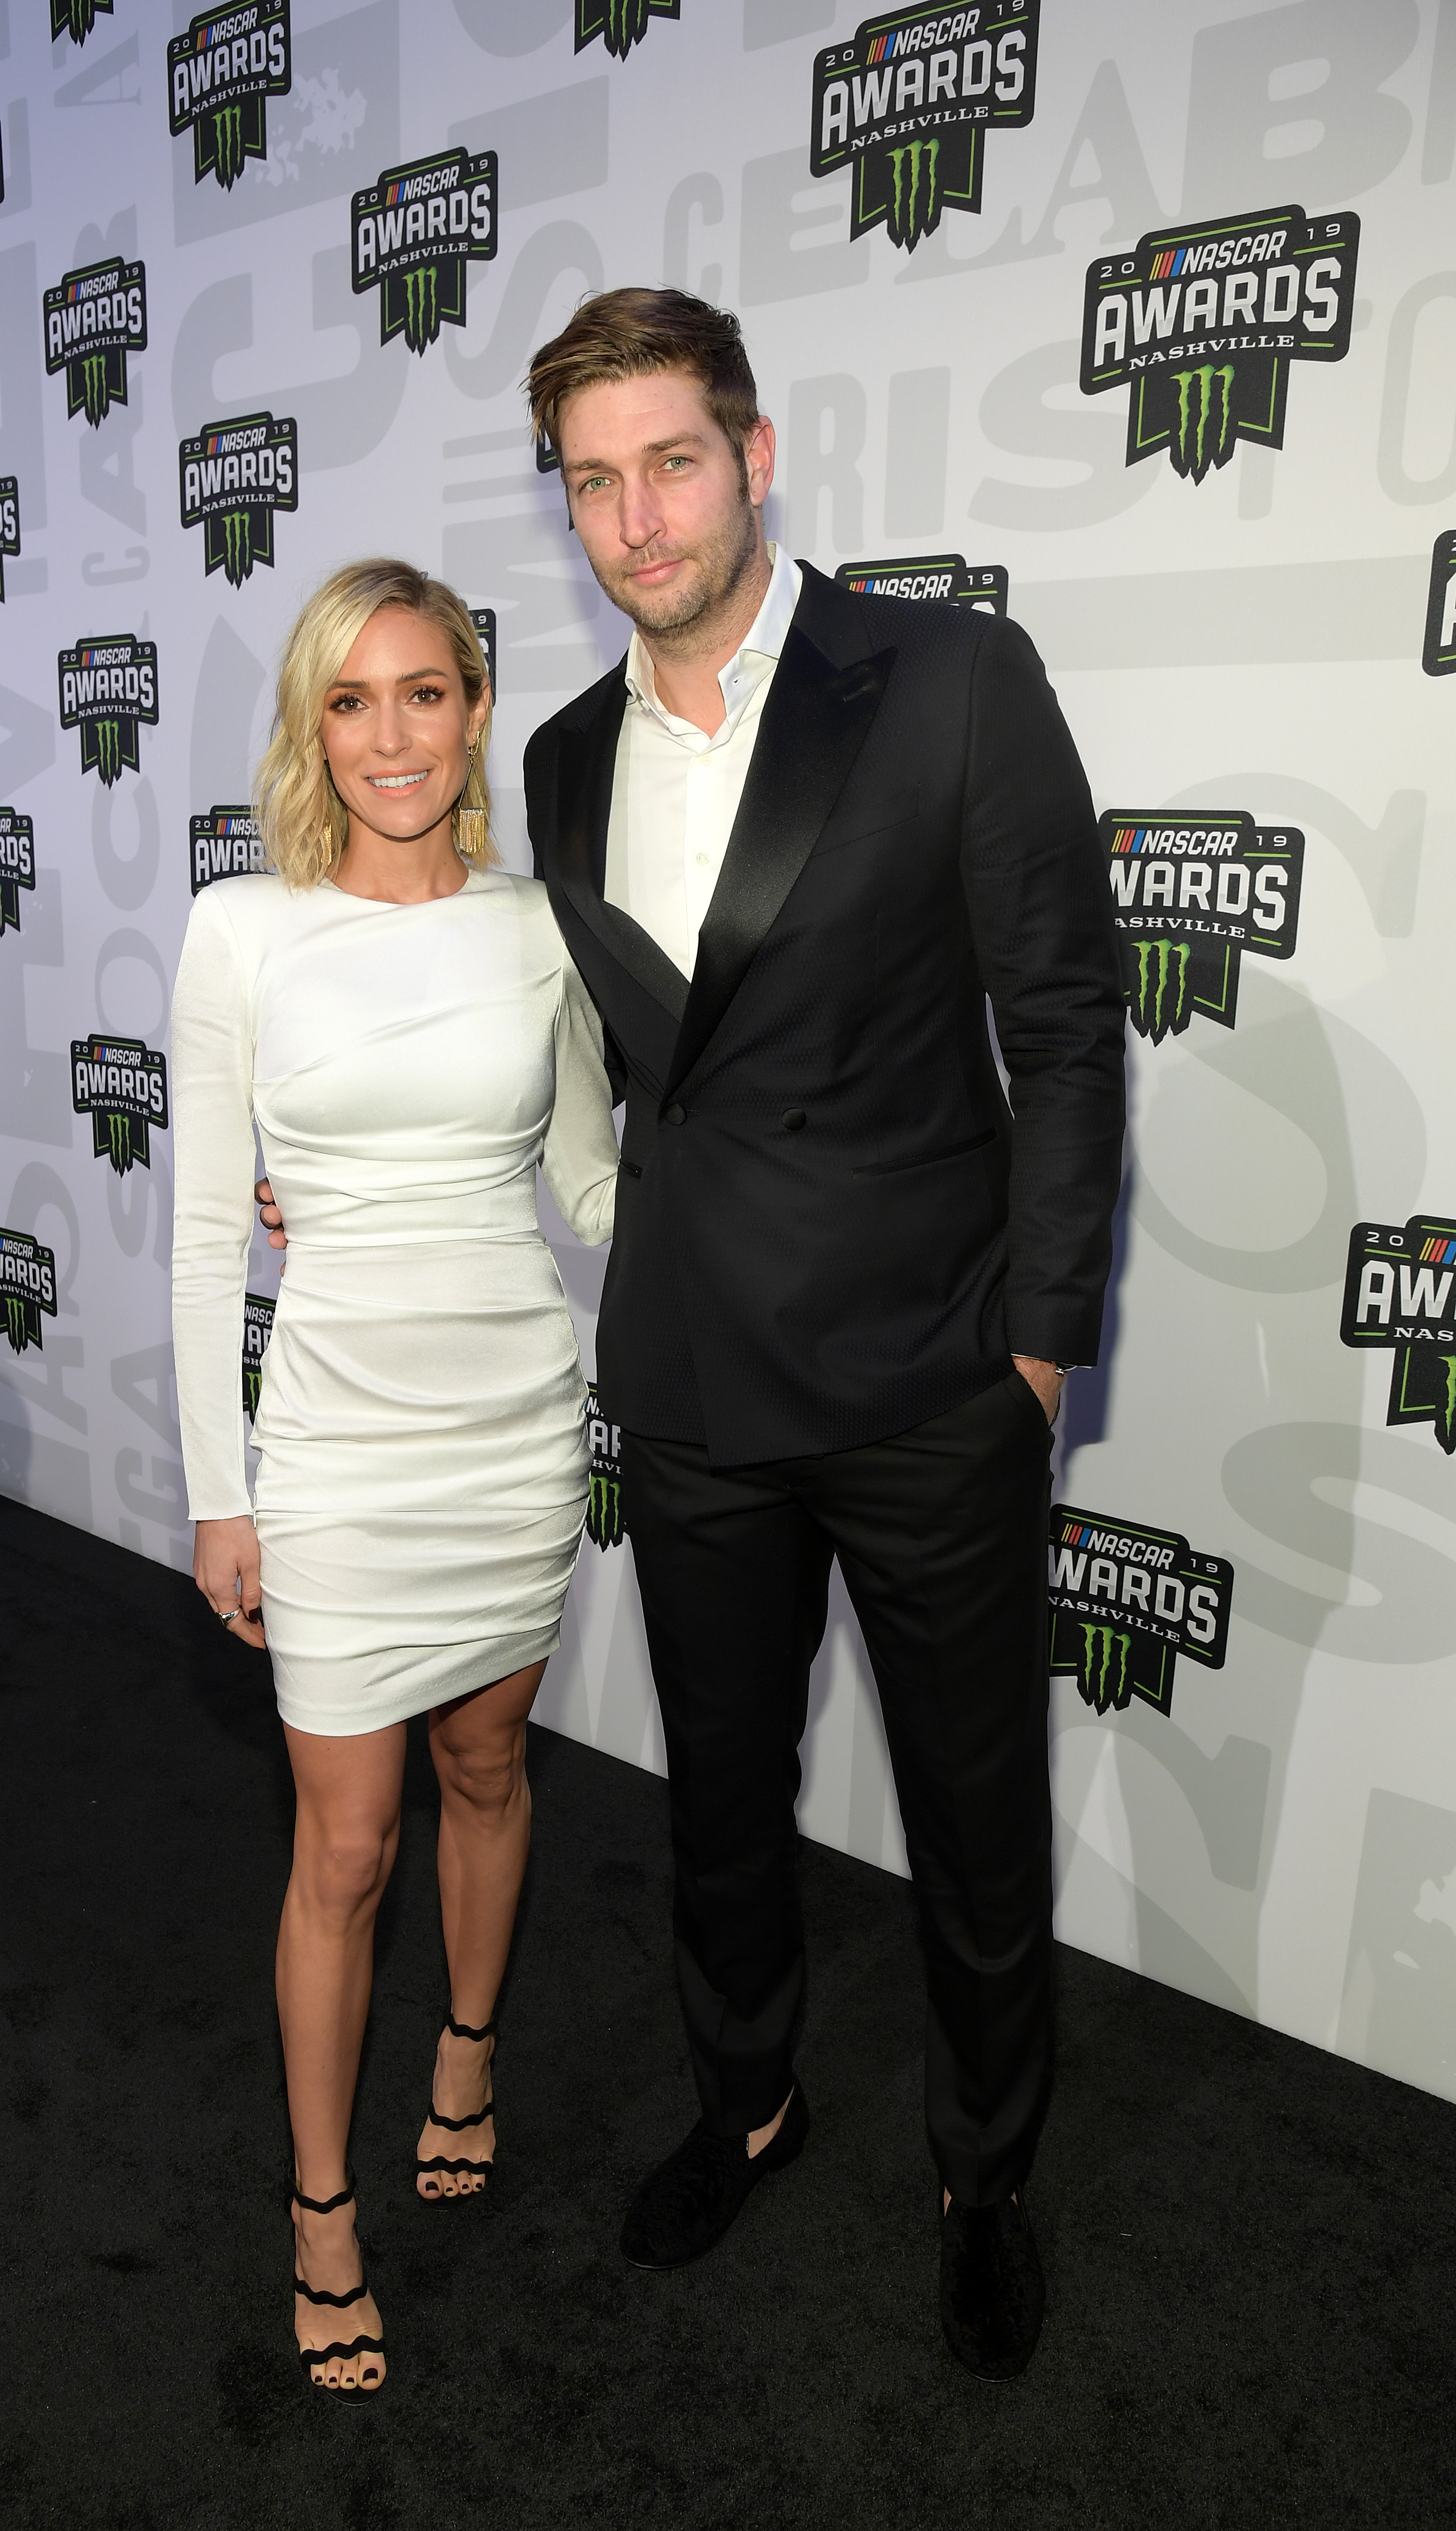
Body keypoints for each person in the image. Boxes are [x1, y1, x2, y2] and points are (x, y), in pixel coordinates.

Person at [520, 289, 1125, 2381]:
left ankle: (984, 2179)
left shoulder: (944, 680)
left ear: (754, 457)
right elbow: (611, 1065)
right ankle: (747, 2103)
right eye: (592, 481)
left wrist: (1036, 1347)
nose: (636, 517)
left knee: (971, 1818)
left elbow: (1064, 1026)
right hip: (693, 1390)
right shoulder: (564, 757)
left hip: (928, 1379)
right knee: (716, 1799)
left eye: (670, 462)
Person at [171, 559, 618, 2397]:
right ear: (312, 727)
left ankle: (471, 2049)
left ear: (475, 708)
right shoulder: (242, 932)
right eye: (349, 702)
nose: (390, 736)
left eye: (424, 691)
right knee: (343, 1848)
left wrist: (787, 1202)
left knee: (488, 1767)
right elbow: (208, 1232)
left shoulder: (540, 926)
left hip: (512, 1429)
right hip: (338, 1445)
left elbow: (593, 1183)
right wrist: (221, 1492)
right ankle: (319, 2208)